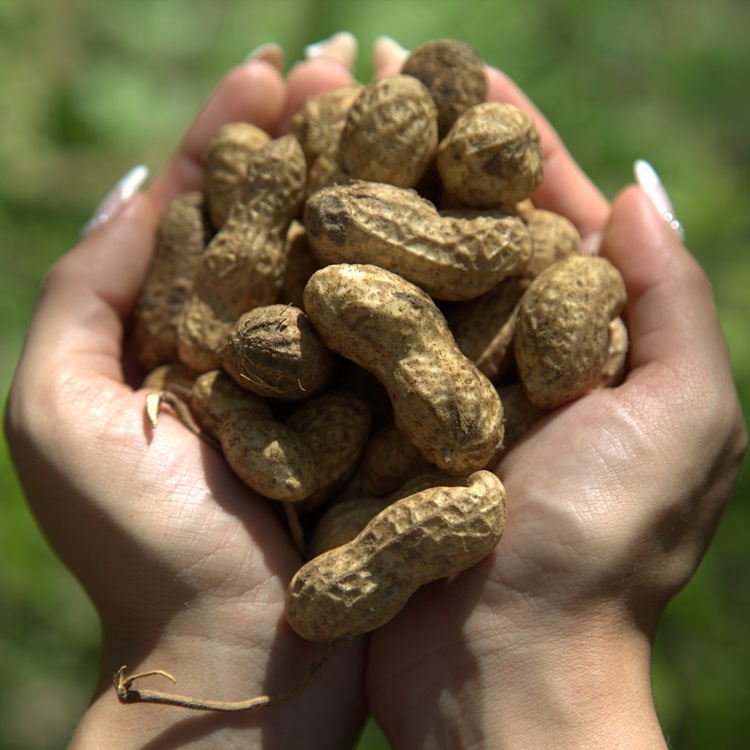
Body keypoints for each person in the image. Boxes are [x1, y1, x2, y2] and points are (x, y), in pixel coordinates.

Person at [4, 32, 746, 750]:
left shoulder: (477, 273)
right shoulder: (303, 295)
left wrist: (207, 631)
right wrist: (538, 651)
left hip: (384, 402)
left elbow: (496, 329)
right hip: (341, 393)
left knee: (437, 387)